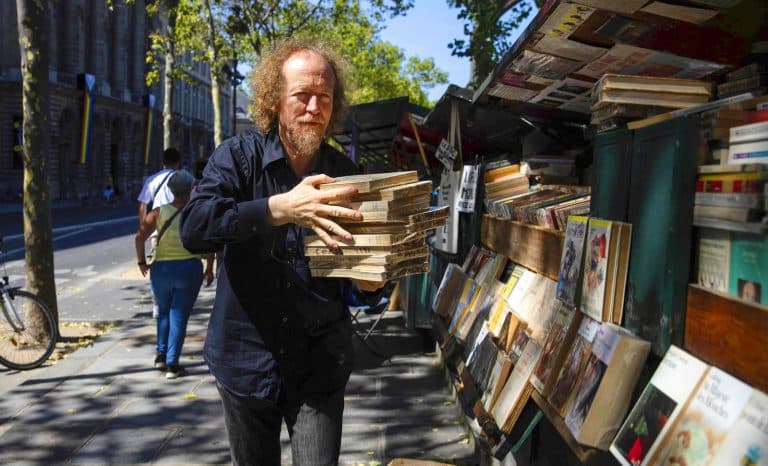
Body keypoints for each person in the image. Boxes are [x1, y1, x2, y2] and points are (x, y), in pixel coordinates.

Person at [179, 37, 384, 465]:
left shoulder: (346, 175)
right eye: (302, 96)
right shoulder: (237, 157)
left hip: (320, 366)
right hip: (244, 362)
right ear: (275, 100)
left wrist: (369, 285)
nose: (314, 108)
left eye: (324, 98)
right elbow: (194, 228)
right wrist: (278, 208)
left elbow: (363, 275)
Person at [135, 170, 215, 379]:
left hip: (161, 270)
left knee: (163, 312)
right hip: (189, 269)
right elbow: (209, 242)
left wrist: (142, 262)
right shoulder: (197, 212)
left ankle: (160, 356)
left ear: (170, 189)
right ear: (191, 189)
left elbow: (139, 237)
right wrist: (209, 268)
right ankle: (172, 364)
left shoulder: (157, 213)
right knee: (178, 315)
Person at [137, 148, 182, 318]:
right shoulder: (183, 179)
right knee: (179, 264)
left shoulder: (152, 180)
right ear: (178, 163)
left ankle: (157, 304)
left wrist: (144, 227)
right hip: (179, 231)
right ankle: (176, 302)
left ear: (163, 162)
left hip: (157, 231)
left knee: (157, 267)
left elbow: (142, 205)